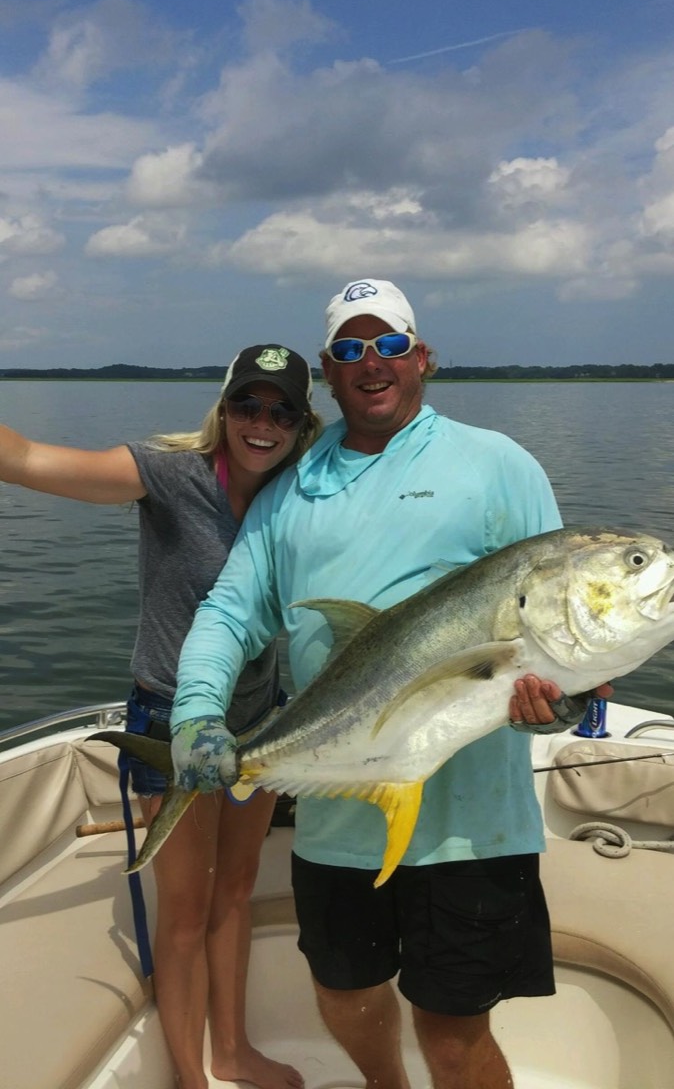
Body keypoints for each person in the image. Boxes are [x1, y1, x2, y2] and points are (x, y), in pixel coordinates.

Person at [170, 282, 607, 1089]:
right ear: (328, 380)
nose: (370, 364)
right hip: (337, 809)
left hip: (473, 827)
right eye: (347, 351)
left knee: (453, 1031)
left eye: (388, 345)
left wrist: (566, 705)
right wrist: (198, 711)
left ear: (422, 357)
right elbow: (230, 611)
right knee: (345, 995)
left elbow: (557, 621)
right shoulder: (291, 491)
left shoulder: (497, 465)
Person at [0, 343, 321, 1089]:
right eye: (248, 405)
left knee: (235, 892)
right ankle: (191, 1075)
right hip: (167, 722)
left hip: (259, 721)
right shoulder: (168, 476)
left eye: (281, 412)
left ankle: (233, 1048)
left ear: (303, 426)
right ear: (224, 408)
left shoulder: (302, 493)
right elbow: (26, 459)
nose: (261, 424)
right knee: (184, 908)